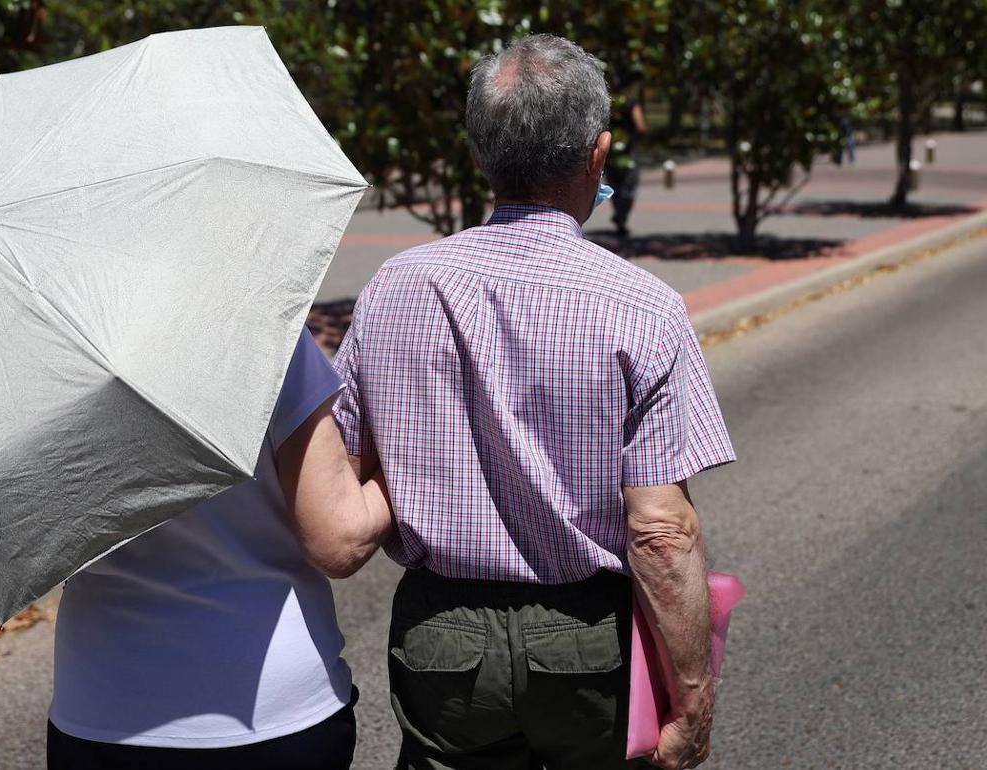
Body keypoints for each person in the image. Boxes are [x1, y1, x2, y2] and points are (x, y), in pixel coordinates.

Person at [332, 34, 735, 770]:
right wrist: (693, 696)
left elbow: (348, 470)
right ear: (599, 153)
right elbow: (659, 533)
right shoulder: (642, 307)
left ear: (481, 155)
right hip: (584, 640)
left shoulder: (395, 287)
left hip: (440, 639)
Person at [47, 328, 394, 769]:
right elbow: (339, 542)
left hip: (100, 703)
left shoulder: (51, 350)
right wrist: (394, 477)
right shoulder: (266, 333)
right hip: (269, 705)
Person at [604, 79, 649, 238]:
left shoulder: (607, 101)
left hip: (609, 151)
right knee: (629, 186)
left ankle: (619, 215)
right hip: (627, 152)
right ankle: (622, 215)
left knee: (614, 186)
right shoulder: (631, 103)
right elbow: (640, 126)